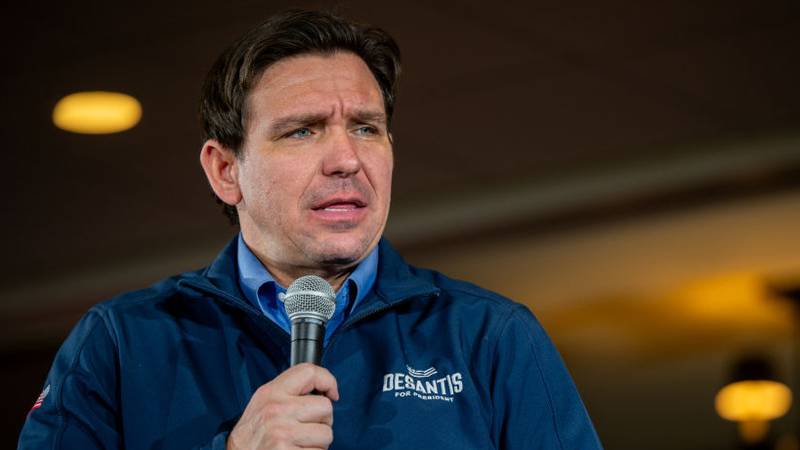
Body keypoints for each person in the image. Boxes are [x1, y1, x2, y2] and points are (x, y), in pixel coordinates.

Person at [18, 9, 602, 450]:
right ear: (225, 170)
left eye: (367, 128)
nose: (346, 158)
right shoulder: (121, 342)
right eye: (303, 131)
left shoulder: (490, 337)